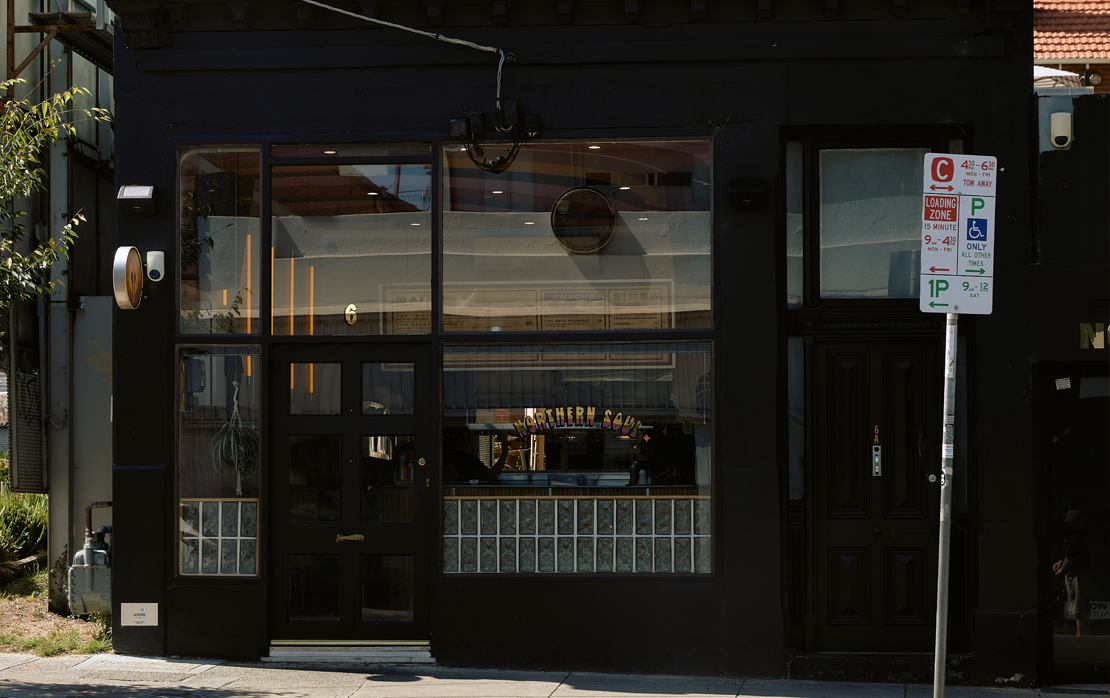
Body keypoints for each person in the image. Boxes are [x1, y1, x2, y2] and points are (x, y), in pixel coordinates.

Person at [1053, 509, 1091, 637]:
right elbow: (1068, 556)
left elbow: (1070, 558)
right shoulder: (1077, 536)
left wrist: (1061, 570)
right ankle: (1086, 631)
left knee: (1078, 602)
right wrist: (1060, 562)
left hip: (1076, 573)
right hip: (1080, 571)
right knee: (1082, 601)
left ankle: (1080, 632)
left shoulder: (1073, 537)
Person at [444, 429, 511, 485]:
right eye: (466, 438)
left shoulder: (440, 459)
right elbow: (492, 475)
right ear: (459, 440)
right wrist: (505, 451)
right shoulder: (467, 460)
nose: (468, 442)